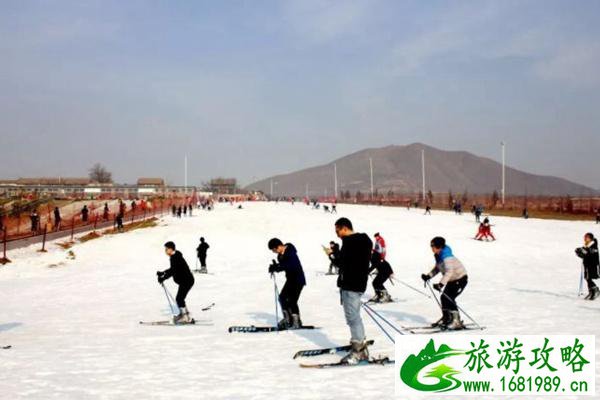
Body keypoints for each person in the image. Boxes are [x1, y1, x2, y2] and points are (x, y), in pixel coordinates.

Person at [335, 217, 373, 364]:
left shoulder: (350, 242)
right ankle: (360, 345)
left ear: (345, 228)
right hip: (358, 283)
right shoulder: (363, 240)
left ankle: (359, 351)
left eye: (337, 230)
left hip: (351, 284)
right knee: (354, 316)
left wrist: (333, 255)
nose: (337, 234)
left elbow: (343, 263)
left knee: (352, 317)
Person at [421, 237, 468, 330]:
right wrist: (428, 276)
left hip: (460, 279)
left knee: (449, 298)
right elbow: (438, 268)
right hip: (451, 280)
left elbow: (449, 272)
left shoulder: (447, 257)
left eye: (433, 245)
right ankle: (447, 318)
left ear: (439, 246)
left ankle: (456, 321)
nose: (431, 248)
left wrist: (441, 284)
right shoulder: (439, 255)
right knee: (444, 297)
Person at [268, 238, 307, 329]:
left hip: (298, 280)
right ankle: (288, 318)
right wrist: (275, 267)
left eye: (274, 250)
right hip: (290, 280)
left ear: (279, 246)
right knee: (282, 298)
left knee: (292, 300)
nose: (274, 252)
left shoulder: (291, 251)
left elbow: (290, 265)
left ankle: (296, 321)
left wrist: (278, 267)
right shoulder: (280, 256)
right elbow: (284, 266)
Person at [157, 241, 195, 323]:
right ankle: (185, 315)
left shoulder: (176, 257)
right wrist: (163, 272)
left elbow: (173, 270)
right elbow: (173, 269)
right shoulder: (175, 256)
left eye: (166, 249)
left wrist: (163, 278)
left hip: (187, 280)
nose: (165, 251)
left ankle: (185, 317)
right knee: (180, 298)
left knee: (179, 298)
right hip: (185, 280)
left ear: (171, 249)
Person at [575, 233, 600, 300]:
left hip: (593, 265)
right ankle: (591, 291)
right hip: (587, 264)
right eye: (585, 237)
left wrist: (584, 252)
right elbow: (584, 254)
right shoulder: (586, 245)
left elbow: (590, 252)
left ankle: (595, 289)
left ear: (590, 238)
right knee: (587, 277)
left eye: (587, 237)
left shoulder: (593, 245)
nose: (585, 238)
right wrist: (579, 252)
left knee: (589, 277)